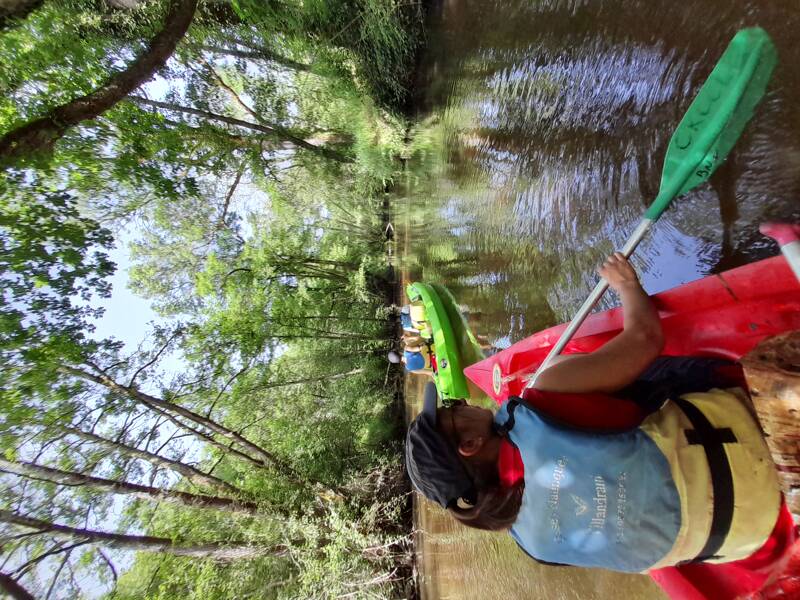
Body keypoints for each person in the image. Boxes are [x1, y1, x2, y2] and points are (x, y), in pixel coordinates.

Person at [406, 253, 792, 576]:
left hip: (753, 534)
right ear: (471, 444)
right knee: (651, 376)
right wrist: (626, 285)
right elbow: (646, 338)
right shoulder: (540, 401)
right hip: (756, 437)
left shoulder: (534, 545)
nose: (460, 404)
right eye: (452, 411)